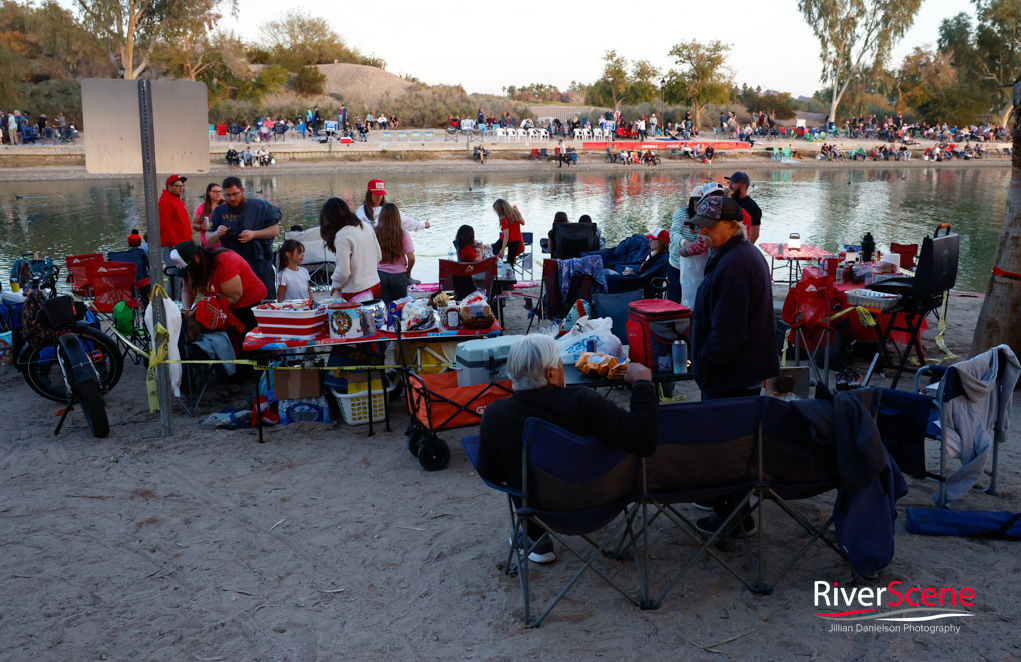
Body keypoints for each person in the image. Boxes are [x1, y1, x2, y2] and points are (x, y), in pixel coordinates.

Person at [477, 334, 658, 564]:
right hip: (604, 504)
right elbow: (645, 439)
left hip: (542, 512)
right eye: (561, 363)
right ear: (551, 374)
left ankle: (535, 537)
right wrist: (642, 382)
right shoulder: (585, 402)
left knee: (516, 470)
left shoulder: (495, 416)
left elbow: (491, 474)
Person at [687, 195, 779, 536]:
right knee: (733, 444)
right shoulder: (736, 255)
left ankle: (734, 521)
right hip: (739, 371)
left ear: (732, 225)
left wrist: (704, 367)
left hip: (731, 375)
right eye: (701, 228)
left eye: (710, 228)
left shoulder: (735, 264)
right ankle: (725, 503)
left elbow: (727, 337)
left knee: (723, 448)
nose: (704, 234)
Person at [173, 241, 268, 334]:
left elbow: (234, 297)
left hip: (246, 304)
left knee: (240, 340)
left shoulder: (224, 261)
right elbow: (188, 291)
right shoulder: (192, 268)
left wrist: (205, 306)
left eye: (188, 268)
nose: (188, 273)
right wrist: (186, 312)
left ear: (197, 258)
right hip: (221, 304)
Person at [209, 176, 281, 296]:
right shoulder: (219, 211)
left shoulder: (260, 206)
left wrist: (254, 234)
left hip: (260, 265)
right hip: (233, 269)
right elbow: (208, 238)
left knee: (266, 302)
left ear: (242, 191)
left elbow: (275, 230)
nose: (232, 198)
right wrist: (217, 233)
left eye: (235, 194)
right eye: (228, 195)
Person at [319, 197, 382, 302]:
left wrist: (335, 284)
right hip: (375, 284)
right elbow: (379, 255)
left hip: (356, 290)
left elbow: (343, 272)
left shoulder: (342, 235)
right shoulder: (365, 226)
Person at [375, 202, 416, 305]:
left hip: (379, 274)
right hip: (399, 275)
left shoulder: (375, 233)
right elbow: (411, 258)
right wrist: (408, 271)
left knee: (383, 307)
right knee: (400, 307)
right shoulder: (403, 234)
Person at [668, 185, 703, 303]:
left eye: (703, 201)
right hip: (677, 263)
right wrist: (685, 243)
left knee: (693, 299)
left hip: (695, 266)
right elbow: (673, 233)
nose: (699, 204)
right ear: (692, 201)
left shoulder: (707, 218)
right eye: (697, 201)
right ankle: (671, 321)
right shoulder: (681, 213)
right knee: (674, 298)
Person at [159, 175, 192, 299]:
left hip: (182, 246)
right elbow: (165, 225)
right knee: (174, 275)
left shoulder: (178, 201)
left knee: (181, 276)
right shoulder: (164, 202)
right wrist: (175, 245)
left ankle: (179, 302)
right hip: (172, 247)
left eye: (181, 186)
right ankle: (172, 303)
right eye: (177, 186)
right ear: (168, 186)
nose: (180, 188)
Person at [355, 179, 430, 233]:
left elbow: (405, 220)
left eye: (381, 194)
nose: (379, 197)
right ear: (369, 194)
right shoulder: (361, 210)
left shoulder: (388, 208)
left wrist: (422, 224)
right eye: (376, 194)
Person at [725, 172, 761, 244]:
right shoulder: (730, 201)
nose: (730, 185)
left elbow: (755, 234)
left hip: (740, 248)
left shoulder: (752, 207)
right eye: (730, 182)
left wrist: (745, 249)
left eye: (733, 183)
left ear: (743, 186)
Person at [491, 198, 524, 265]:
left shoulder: (504, 219)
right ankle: (511, 274)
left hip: (507, 239)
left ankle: (499, 260)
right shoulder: (516, 212)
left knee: (494, 248)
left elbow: (506, 235)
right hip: (516, 239)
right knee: (510, 261)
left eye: (497, 211)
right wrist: (518, 217)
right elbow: (523, 223)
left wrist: (502, 250)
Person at [193, 182, 225, 247]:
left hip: (224, 245)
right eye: (215, 191)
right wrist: (201, 227)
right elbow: (194, 224)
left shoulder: (226, 205)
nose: (218, 193)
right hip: (207, 245)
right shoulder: (201, 207)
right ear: (209, 193)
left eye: (220, 191)